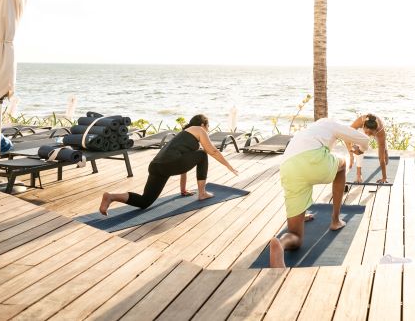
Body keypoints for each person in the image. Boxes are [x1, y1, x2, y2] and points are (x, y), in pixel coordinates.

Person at [267, 117, 369, 268]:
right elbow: (364, 139)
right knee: (342, 163)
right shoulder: (331, 123)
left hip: (288, 168)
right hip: (312, 161)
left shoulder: (306, 132)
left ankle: (281, 244)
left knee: (296, 237)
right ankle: (335, 220)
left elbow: (302, 157)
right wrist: (361, 149)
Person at [98, 114, 238, 215]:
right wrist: (228, 165)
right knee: (202, 154)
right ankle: (202, 193)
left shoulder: (183, 135)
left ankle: (111, 196)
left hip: (157, 166)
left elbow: (184, 163)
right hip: (169, 164)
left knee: (145, 201)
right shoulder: (199, 130)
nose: (208, 130)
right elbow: (212, 150)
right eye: (208, 126)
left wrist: (183, 189)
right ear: (202, 125)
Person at [349, 113, 389, 184]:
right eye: (366, 132)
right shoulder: (360, 122)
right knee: (359, 145)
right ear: (364, 126)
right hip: (365, 126)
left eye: (371, 134)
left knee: (383, 150)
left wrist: (384, 177)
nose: (368, 135)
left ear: (375, 131)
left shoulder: (380, 132)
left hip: (378, 131)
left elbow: (381, 158)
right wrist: (351, 153)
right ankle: (359, 175)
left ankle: (386, 150)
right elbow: (348, 132)